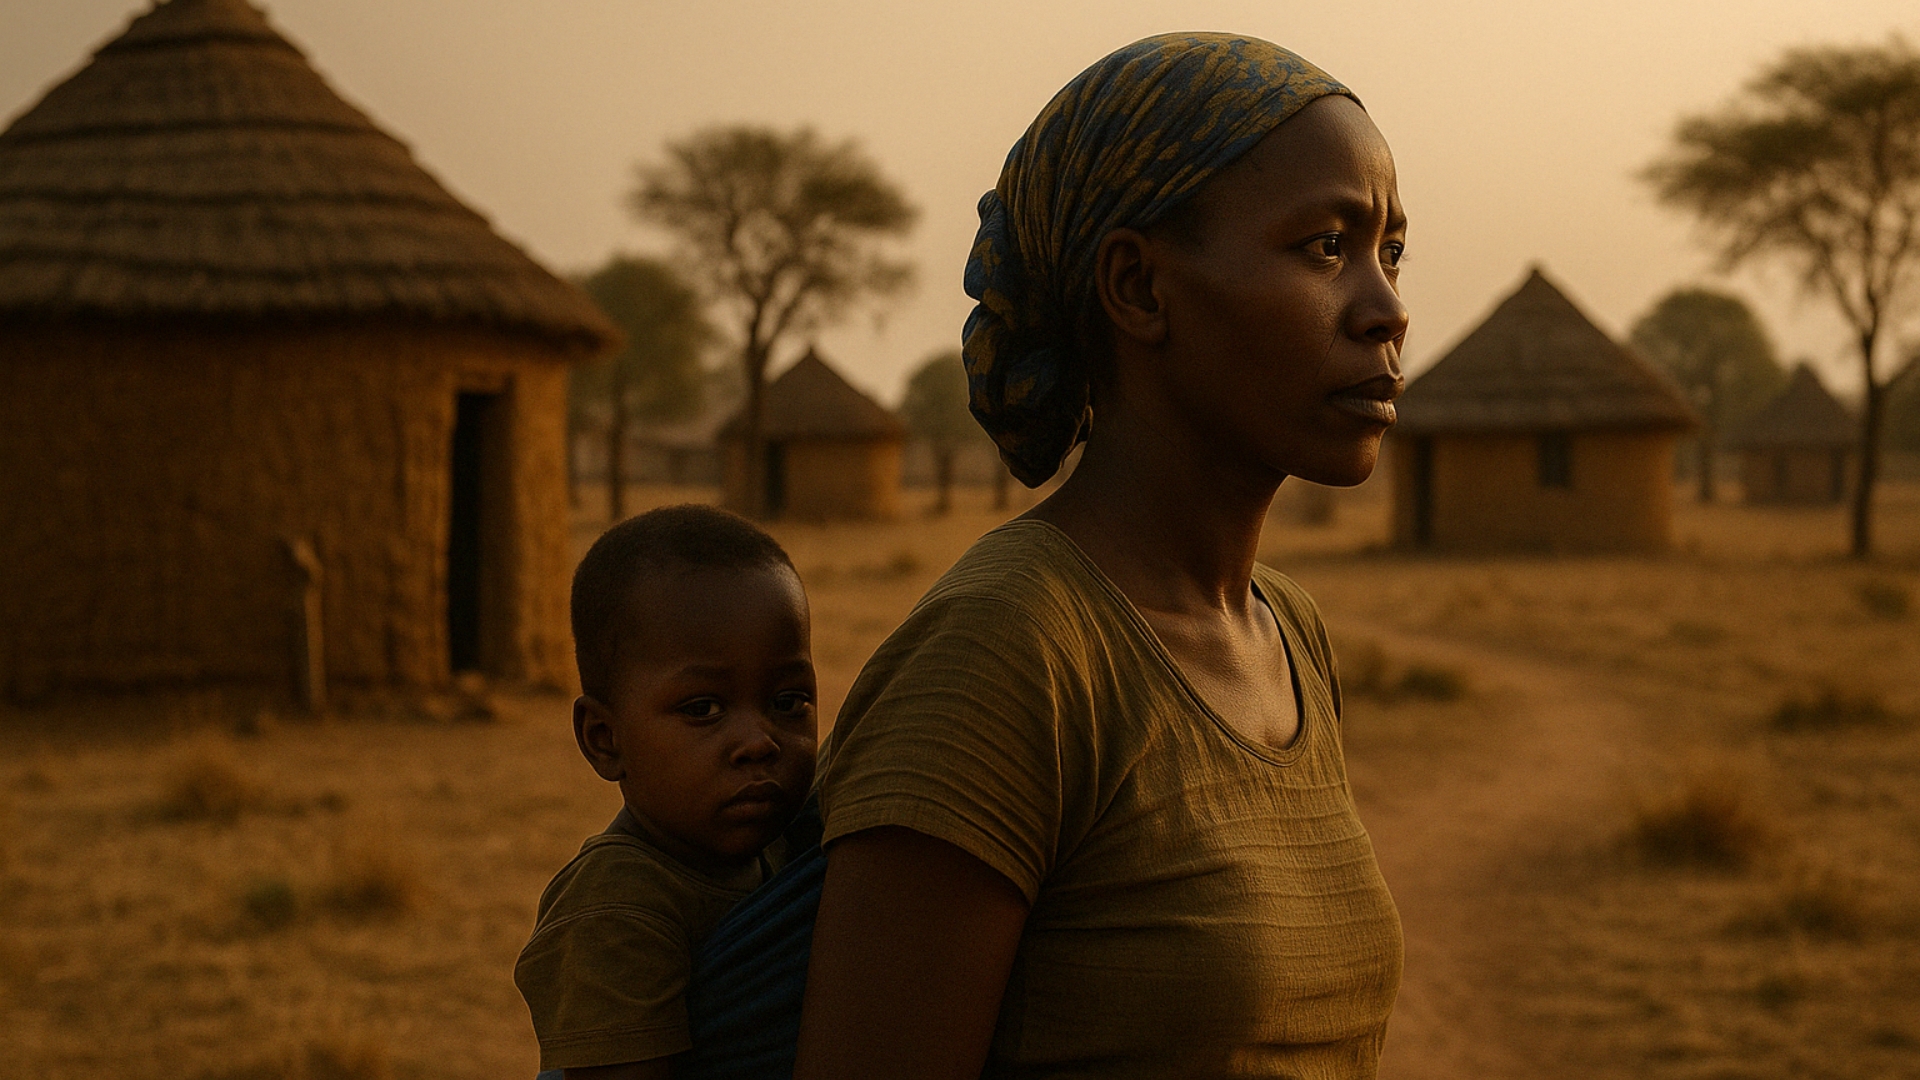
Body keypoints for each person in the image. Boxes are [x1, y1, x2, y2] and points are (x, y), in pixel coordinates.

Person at [795, 33, 1409, 1079]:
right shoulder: (1006, 655)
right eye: (1324, 249)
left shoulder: (1286, 631)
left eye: (1390, 252)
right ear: (1137, 286)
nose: (1385, 310)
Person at [516, 505, 818, 1080]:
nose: (759, 742)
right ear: (605, 740)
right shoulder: (614, 913)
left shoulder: (794, 838)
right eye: (702, 709)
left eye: (789, 702)